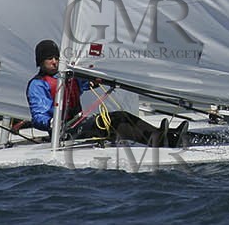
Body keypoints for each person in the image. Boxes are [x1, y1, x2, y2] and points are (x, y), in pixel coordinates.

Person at [25, 40, 186, 147]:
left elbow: (84, 83)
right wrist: (50, 122)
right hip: (65, 132)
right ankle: (160, 140)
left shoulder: (66, 76)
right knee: (114, 120)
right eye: (49, 58)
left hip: (79, 124)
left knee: (121, 116)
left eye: (56, 57)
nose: (54, 61)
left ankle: (162, 135)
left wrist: (95, 79)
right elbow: (38, 116)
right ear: (40, 61)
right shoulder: (38, 85)